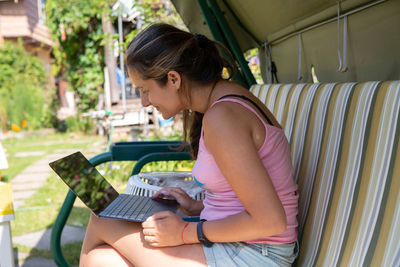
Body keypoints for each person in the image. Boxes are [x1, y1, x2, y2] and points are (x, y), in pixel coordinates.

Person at [80, 23, 299, 267]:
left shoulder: (224, 118)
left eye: (145, 90)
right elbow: (248, 195)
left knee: (103, 220)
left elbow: (271, 221)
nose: (144, 102)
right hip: (242, 245)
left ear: (173, 78)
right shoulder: (226, 103)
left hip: (256, 254)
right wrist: (197, 207)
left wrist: (184, 232)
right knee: (103, 260)